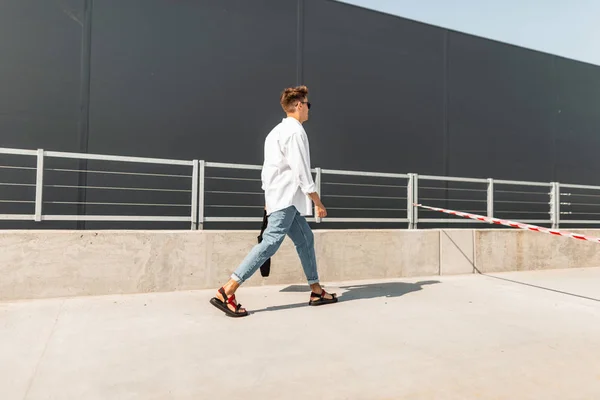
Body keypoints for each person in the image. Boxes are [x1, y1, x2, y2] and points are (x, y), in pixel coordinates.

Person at [209, 85, 338, 317]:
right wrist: (317, 201)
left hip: (281, 199)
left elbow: (267, 170)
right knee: (269, 243)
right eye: (308, 104)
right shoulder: (295, 132)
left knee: (305, 238)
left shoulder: (275, 132)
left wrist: (267, 198)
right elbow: (301, 171)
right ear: (299, 105)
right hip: (286, 198)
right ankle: (228, 290)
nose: (309, 109)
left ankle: (316, 290)